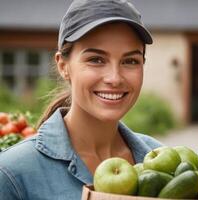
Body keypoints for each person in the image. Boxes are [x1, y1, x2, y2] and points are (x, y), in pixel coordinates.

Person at [0, 0, 162, 199]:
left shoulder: (162, 161)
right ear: (63, 66)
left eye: (130, 61)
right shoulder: (12, 174)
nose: (114, 78)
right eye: (96, 59)